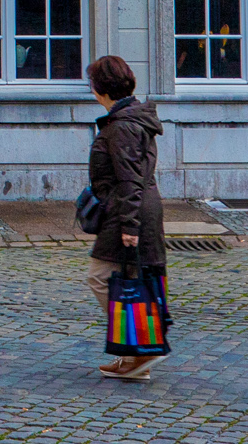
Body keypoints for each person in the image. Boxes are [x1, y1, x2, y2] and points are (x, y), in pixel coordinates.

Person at [85, 53, 167, 382]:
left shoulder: (123, 127)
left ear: (101, 89)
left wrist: (130, 226)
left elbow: (131, 178)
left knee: (100, 276)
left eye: (93, 84)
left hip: (128, 211)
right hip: (129, 209)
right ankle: (136, 356)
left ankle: (143, 346)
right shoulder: (131, 118)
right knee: (131, 279)